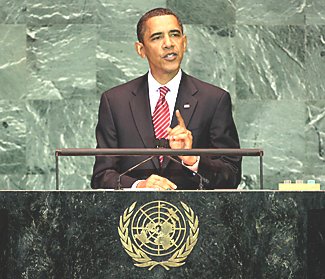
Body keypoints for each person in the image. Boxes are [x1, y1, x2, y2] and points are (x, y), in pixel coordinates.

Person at [91, 8, 241, 190]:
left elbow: (232, 175)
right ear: (141, 49)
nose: (168, 44)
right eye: (157, 37)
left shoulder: (214, 100)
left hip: (195, 215)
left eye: (175, 35)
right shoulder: (115, 102)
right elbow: (102, 176)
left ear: (184, 43)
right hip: (134, 215)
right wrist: (139, 186)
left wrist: (192, 159)